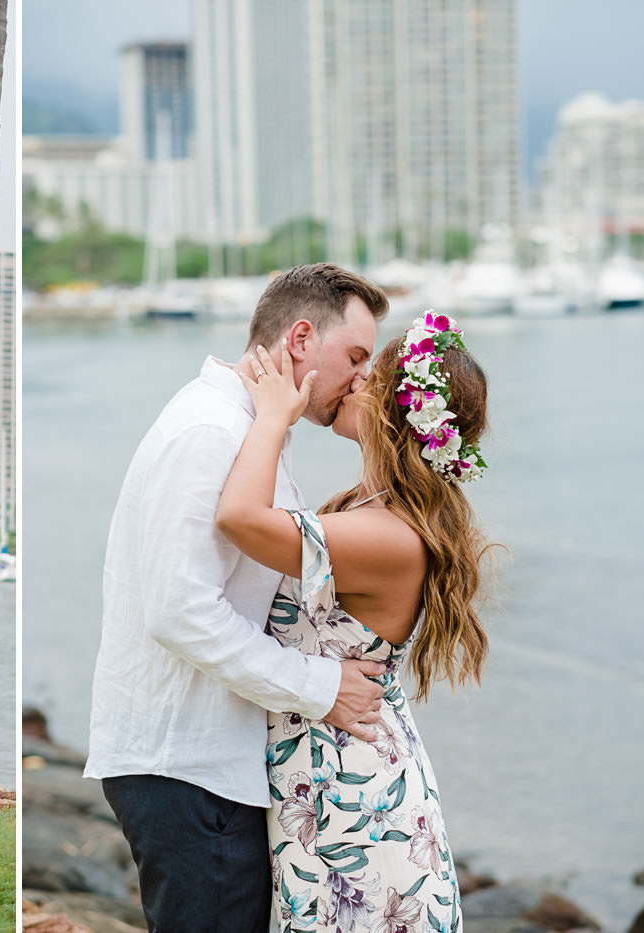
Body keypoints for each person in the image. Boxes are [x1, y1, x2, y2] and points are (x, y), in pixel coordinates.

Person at [84, 263, 392, 932]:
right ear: (302, 337)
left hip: (207, 760)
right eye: (356, 356)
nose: (361, 378)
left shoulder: (248, 428)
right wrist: (320, 685)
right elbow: (179, 609)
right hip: (186, 763)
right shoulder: (211, 430)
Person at [216, 311, 490, 932]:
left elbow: (239, 517)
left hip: (354, 797)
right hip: (328, 771)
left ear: (398, 413)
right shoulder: (363, 509)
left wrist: (270, 416)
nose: (354, 378)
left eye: (371, 374)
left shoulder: (388, 537)